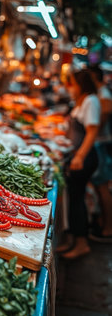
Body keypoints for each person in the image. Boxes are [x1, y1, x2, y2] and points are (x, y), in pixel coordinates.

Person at [57, 69, 100, 259]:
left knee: (77, 199)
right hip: (76, 156)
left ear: (81, 84)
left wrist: (80, 156)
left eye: (72, 83)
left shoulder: (91, 101)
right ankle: (71, 240)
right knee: (73, 197)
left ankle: (81, 244)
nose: (70, 88)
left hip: (85, 158)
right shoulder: (83, 100)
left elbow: (92, 131)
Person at [88, 65, 112, 241]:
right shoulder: (100, 93)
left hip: (101, 145)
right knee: (99, 185)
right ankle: (104, 222)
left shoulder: (103, 94)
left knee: (103, 186)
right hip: (99, 144)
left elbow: (99, 123)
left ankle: (108, 228)